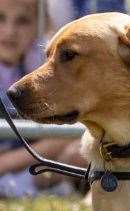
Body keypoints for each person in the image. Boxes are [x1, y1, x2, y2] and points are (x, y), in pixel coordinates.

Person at [0, 0, 87, 198]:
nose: (9, 31)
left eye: (22, 21)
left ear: (40, 23)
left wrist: (5, 163)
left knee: (82, 151)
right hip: (31, 158)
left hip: (31, 162)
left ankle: (25, 183)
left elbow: (65, 132)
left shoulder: (44, 66)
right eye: (0, 19)